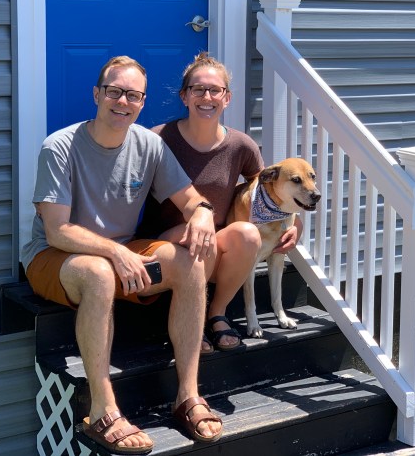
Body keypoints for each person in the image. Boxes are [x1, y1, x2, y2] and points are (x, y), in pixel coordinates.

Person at [20, 56, 223, 455]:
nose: (123, 101)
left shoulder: (149, 145)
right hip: (55, 256)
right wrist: (115, 252)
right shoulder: (60, 146)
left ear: (142, 103)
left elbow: (190, 199)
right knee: (98, 271)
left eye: (133, 95)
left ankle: (187, 396)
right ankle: (102, 410)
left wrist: (202, 212)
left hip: (117, 254)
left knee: (189, 262)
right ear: (97, 94)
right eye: (114, 91)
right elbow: (57, 230)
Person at [137, 53, 301, 353]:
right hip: (163, 245)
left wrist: (294, 223)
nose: (207, 97)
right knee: (198, 232)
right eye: (198, 89)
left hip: (213, 245)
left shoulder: (240, 145)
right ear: (184, 96)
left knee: (246, 234)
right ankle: (193, 319)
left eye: (215, 90)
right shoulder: (158, 139)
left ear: (227, 98)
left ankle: (217, 312)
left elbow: (269, 190)